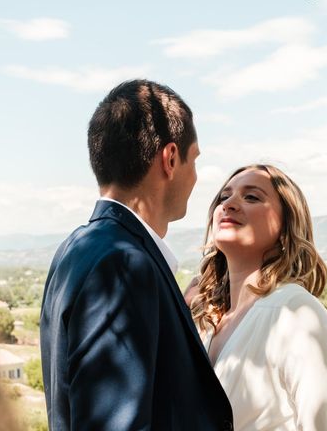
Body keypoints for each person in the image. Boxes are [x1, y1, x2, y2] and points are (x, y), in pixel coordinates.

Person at [40, 79, 233, 431]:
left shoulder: (75, 249)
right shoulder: (123, 266)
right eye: (194, 160)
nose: (196, 176)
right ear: (170, 159)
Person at [189, 164, 327, 431]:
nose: (229, 204)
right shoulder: (211, 323)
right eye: (223, 197)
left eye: (251, 196)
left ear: (286, 229)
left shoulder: (298, 314)